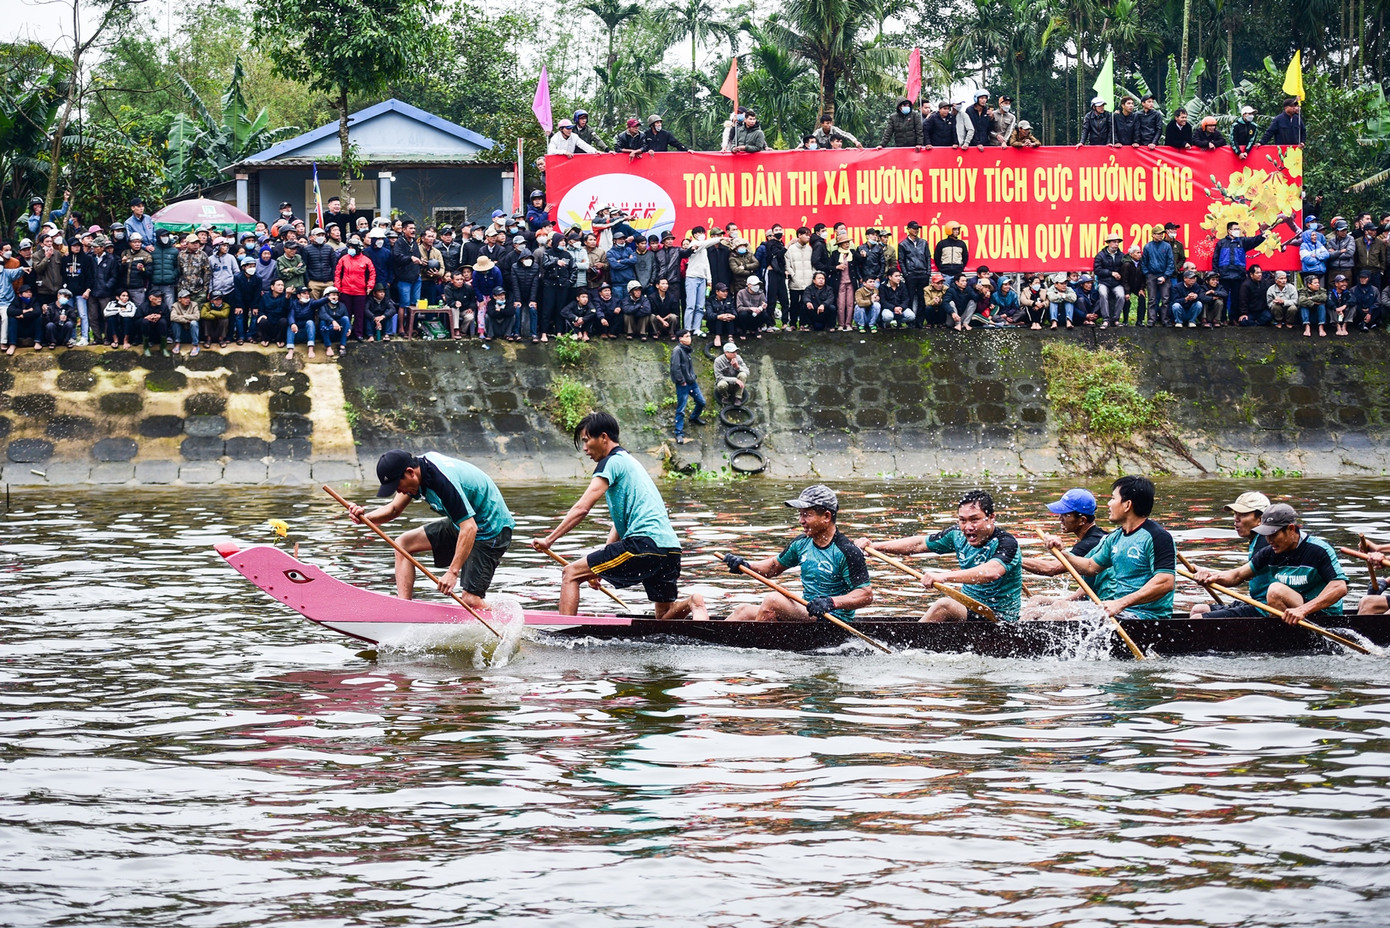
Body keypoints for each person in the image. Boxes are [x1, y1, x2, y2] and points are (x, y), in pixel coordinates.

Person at [532, 411, 708, 620]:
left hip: (644, 545)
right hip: (670, 549)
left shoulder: (610, 463)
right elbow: (621, 522)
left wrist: (549, 540)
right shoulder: (631, 463)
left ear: (604, 438)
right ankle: (692, 602)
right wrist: (599, 566)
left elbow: (582, 508)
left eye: (587, 441)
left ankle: (563, 633)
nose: (585, 448)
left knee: (571, 573)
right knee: (664, 617)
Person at [351, 450, 515, 611]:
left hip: (491, 529)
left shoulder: (442, 481)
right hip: (463, 524)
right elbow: (394, 509)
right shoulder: (416, 474)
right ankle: (403, 609)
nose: (399, 492)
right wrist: (365, 517)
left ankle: (506, 621)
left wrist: (452, 572)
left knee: (470, 600)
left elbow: (470, 527)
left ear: (410, 473)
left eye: (397, 486)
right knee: (402, 544)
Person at [859, 489, 1022, 623]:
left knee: (944, 605)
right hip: (968, 610)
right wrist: (876, 547)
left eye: (974, 520)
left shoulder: (1006, 542)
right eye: (962, 520)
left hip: (999, 619)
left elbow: (991, 572)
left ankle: (906, 648)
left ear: (991, 517)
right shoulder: (956, 535)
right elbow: (918, 544)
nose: (968, 527)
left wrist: (943, 576)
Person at [725, 485, 872, 623]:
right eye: (800, 515)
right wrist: (745, 565)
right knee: (742, 611)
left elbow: (865, 594)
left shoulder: (847, 551)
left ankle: (751, 647)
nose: (800, 521)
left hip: (832, 618)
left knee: (773, 600)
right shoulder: (801, 543)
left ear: (826, 517)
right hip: (808, 610)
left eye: (807, 515)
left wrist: (831, 602)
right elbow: (773, 567)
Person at [1042, 475, 1176, 622]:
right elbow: (1090, 567)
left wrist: (1121, 603)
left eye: (1113, 498)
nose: (1108, 504)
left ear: (1127, 505)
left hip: (1146, 616)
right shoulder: (1115, 537)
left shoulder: (1158, 537)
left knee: (1063, 617)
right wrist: (1061, 553)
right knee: (1060, 607)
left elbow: (1165, 582)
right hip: (1119, 610)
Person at [1193, 504, 1347, 625]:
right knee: (1198, 613)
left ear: (1291, 529)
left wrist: (1303, 610)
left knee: (1275, 590)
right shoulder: (1270, 552)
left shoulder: (1318, 550)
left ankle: (1280, 637)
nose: (1269, 540)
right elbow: (1237, 575)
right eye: (1266, 535)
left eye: (1273, 534)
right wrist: (1210, 577)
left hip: (1318, 614)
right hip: (1282, 610)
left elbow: (1339, 587)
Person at [1189, 492, 1272, 619]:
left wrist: (1210, 576)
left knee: (1198, 619)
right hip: (1256, 603)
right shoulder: (1257, 539)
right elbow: (1241, 572)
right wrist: (1209, 573)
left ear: (1260, 519)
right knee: (1198, 610)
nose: (1236, 519)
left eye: (1243, 514)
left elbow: (1238, 576)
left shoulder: (1265, 542)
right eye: (1235, 514)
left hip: (1265, 608)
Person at [669, 329, 705, 444]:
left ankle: (694, 417)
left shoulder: (686, 350)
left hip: (692, 382)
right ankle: (678, 432)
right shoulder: (677, 351)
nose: (689, 338)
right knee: (681, 409)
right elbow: (675, 367)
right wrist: (681, 381)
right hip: (683, 384)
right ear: (680, 339)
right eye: (687, 336)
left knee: (701, 402)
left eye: (689, 336)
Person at [1141, 224, 1175, 327]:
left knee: (1165, 299)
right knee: (1152, 299)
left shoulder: (1167, 246)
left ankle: (1165, 319)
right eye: (1159, 234)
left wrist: (1165, 276)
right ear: (1153, 235)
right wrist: (1147, 274)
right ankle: (1151, 319)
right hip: (1151, 275)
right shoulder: (1147, 246)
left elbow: (1170, 263)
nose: (1161, 236)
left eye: (1162, 234)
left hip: (1164, 275)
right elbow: (1144, 263)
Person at [713, 340, 748, 406]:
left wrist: (737, 367)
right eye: (732, 352)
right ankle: (725, 396)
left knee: (743, 375)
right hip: (726, 383)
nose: (735, 354)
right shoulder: (718, 361)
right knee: (721, 385)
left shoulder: (738, 358)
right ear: (726, 353)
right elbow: (719, 377)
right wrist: (735, 380)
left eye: (736, 351)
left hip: (736, 385)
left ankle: (738, 397)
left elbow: (747, 372)